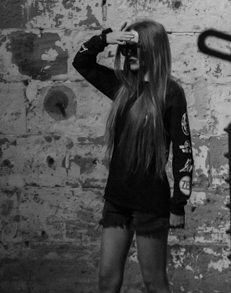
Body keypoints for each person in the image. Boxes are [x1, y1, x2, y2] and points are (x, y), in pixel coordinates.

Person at [73, 19, 193, 293]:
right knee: (107, 280)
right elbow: (82, 62)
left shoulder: (170, 93)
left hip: (150, 203)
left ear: (153, 50)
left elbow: (183, 150)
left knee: (154, 282)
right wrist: (105, 39)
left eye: (136, 48)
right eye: (126, 48)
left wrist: (178, 204)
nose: (129, 54)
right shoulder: (122, 86)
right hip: (117, 201)